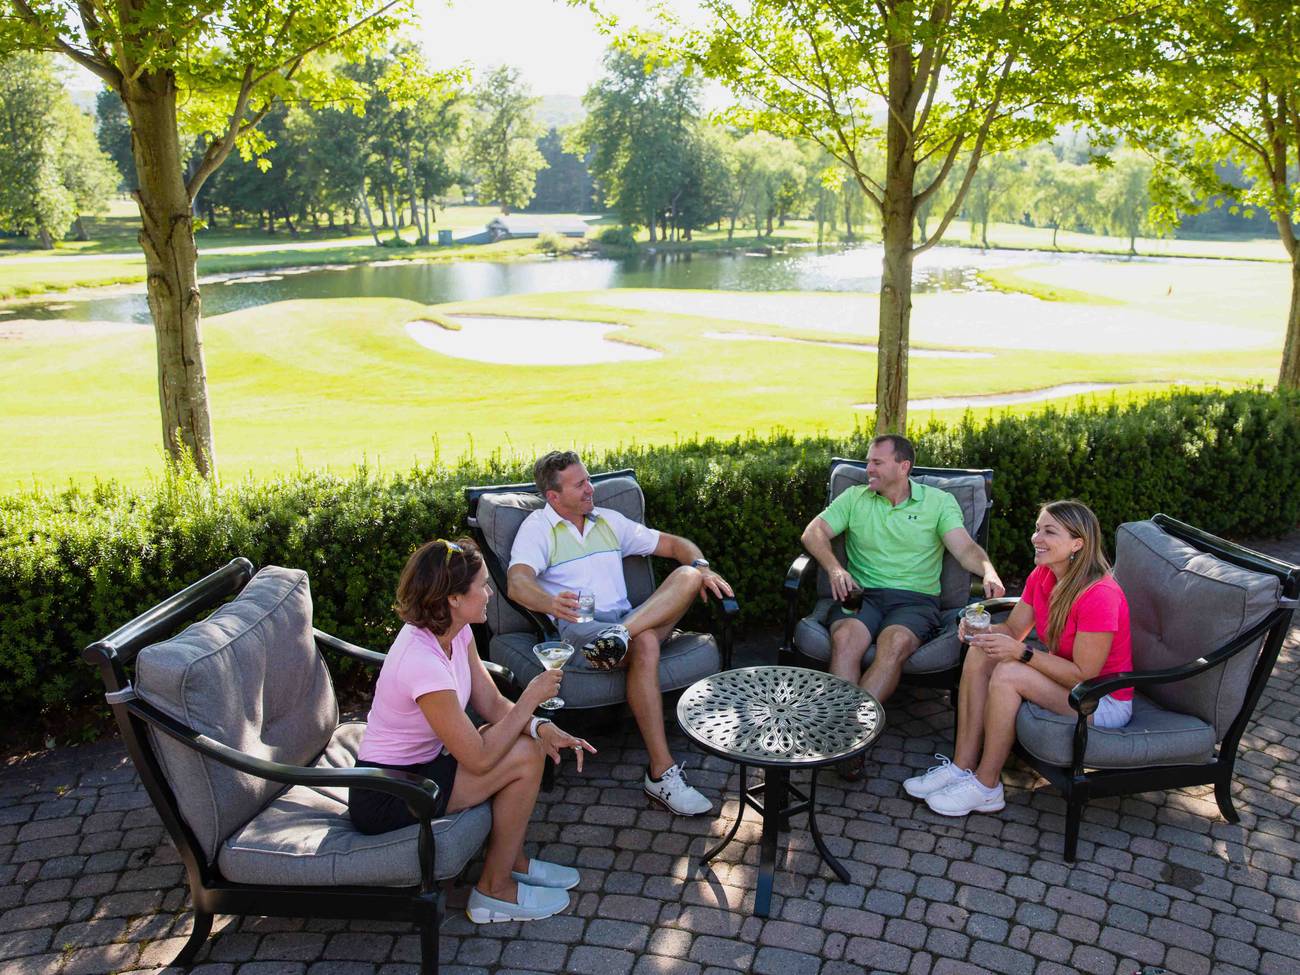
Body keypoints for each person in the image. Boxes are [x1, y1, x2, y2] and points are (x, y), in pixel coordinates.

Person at [349, 537, 596, 924]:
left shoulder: (456, 631)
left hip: (425, 767)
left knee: (523, 740)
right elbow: (478, 759)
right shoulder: (421, 661)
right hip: (388, 793)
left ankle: (514, 863)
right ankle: (493, 891)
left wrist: (540, 725)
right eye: (481, 585)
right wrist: (531, 698)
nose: (489, 592)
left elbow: (492, 704)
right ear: (453, 598)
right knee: (522, 755)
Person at [507, 450, 735, 816]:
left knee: (688, 576)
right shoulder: (538, 528)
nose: (589, 489)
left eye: (589, 479)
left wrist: (703, 566)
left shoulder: (608, 521)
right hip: (581, 630)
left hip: (627, 620)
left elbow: (676, 545)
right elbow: (517, 583)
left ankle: (620, 634)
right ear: (554, 496)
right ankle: (661, 773)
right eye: (580, 484)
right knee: (645, 640)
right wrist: (550, 604)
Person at [904, 499, 1134, 817]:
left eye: (1049, 532)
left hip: (1100, 701)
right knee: (980, 651)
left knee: (1010, 672)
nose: (1036, 538)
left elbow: (1084, 676)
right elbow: (1013, 628)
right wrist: (980, 631)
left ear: (1077, 544)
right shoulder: (1044, 574)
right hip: (1066, 683)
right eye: (1037, 529)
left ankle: (987, 787)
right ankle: (962, 766)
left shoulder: (1100, 595)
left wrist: (1023, 654)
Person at [801, 434, 1004, 778]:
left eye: (877, 463)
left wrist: (988, 570)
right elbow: (812, 533)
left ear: (903, 466)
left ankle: (847, 736)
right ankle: (850, 738)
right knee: (846, 637)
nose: (868, 469)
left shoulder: (938, 502)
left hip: (915, 601)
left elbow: (966, 548)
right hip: (862, 595)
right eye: (868, 462)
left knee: (894, 644)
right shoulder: (855, 497)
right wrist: (836, 568)